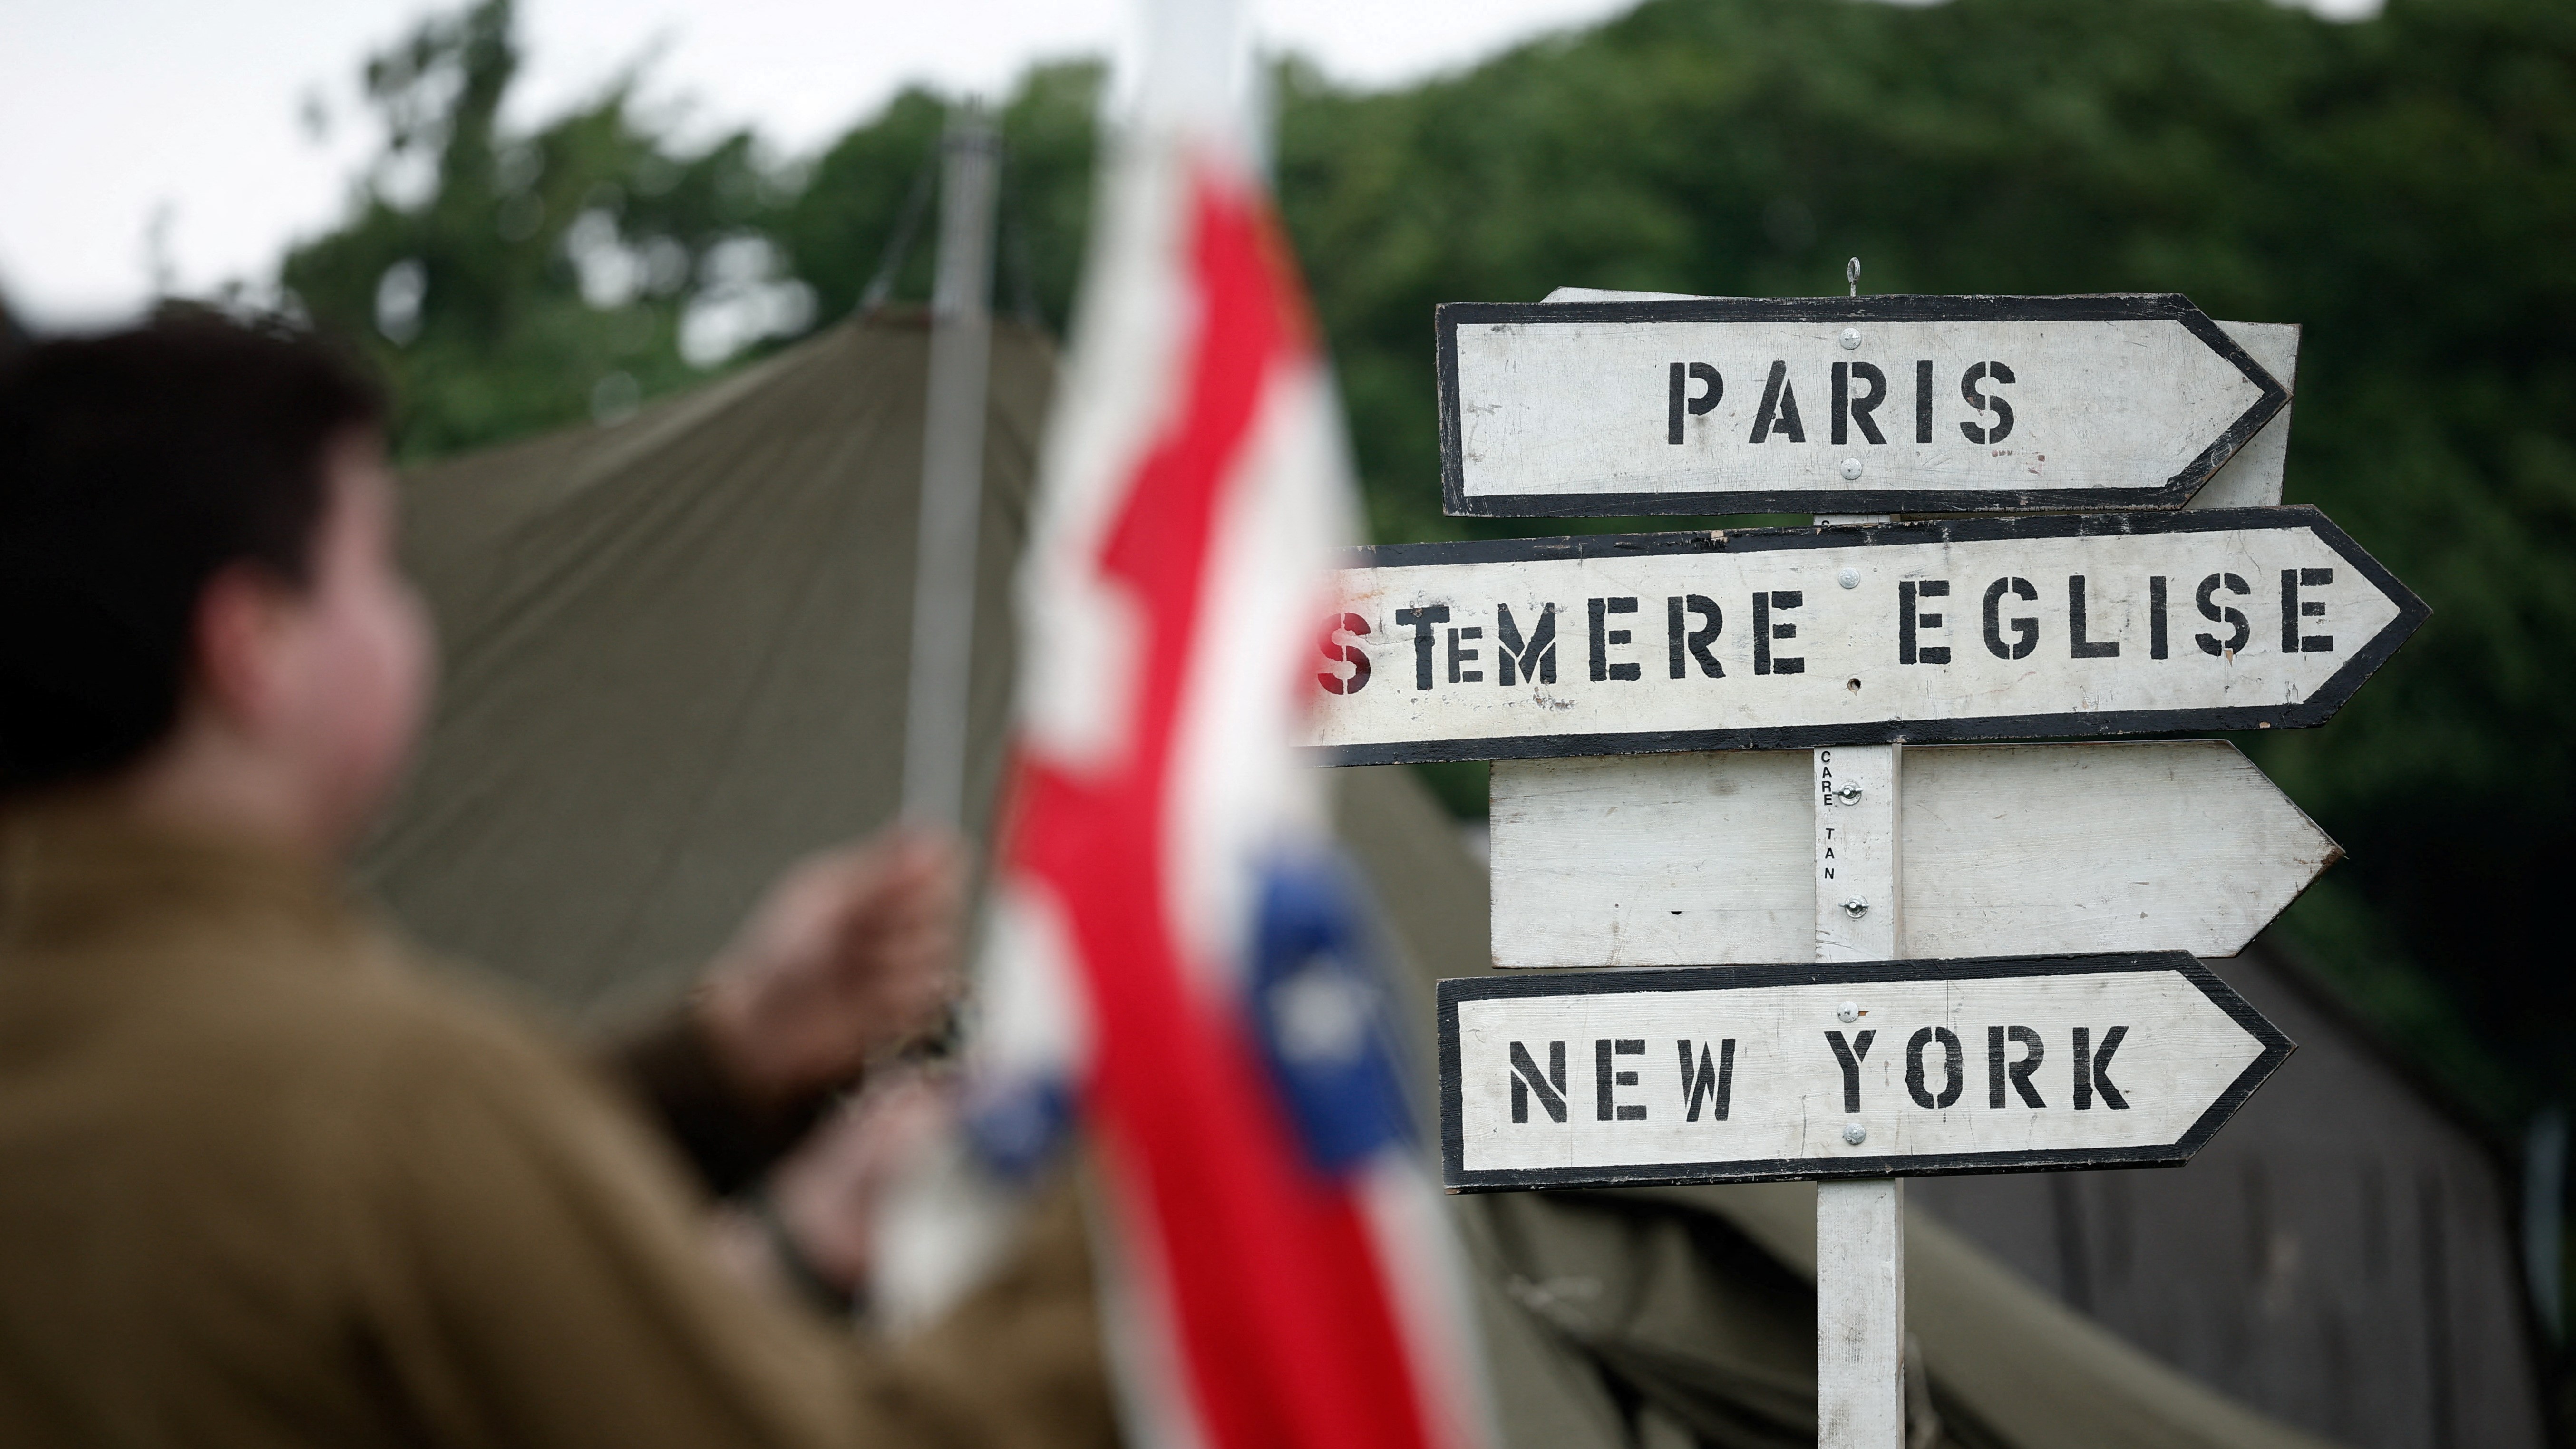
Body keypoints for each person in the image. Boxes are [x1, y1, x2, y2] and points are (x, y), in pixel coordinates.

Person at [0, 310, 1113, 1447]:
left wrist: (718, 1054)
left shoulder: (132, 1053)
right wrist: (1126, 1213)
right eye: (375, 572)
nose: (407, 619)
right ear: (255, 646)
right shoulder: (398, 1104)